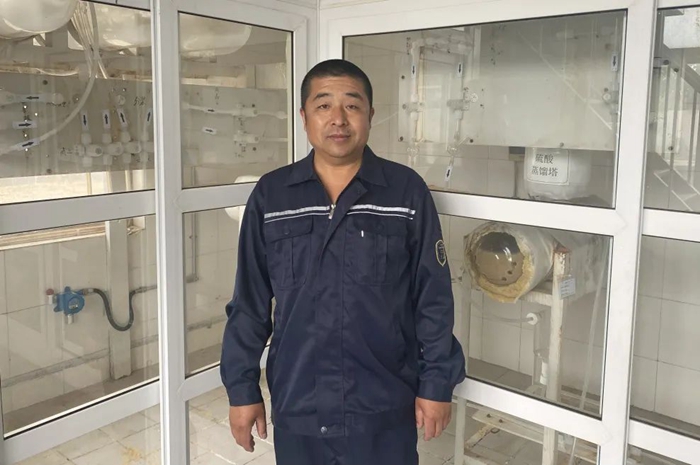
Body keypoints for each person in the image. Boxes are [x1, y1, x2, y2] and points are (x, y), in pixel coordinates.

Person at [220, 59, 466, 465]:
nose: (338, 118)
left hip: (384, 406)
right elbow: (249, 303)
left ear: (370, 114)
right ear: (304, 117)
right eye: (323, 106)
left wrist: (437, 383)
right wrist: (242, 390)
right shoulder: (272, 195)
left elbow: (433, 298)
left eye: (352, 105)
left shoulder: (405, 192)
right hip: (300, 404)